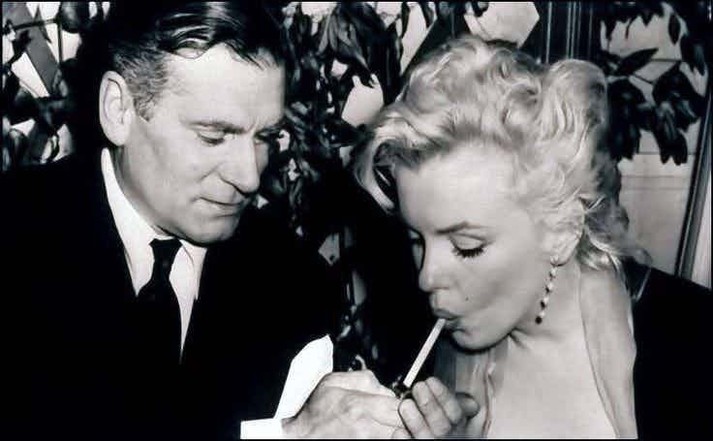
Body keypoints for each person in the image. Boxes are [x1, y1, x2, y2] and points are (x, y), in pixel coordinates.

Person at [2, 2, 405, 440]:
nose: (249, 177)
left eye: (265, 137)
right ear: (119, 110)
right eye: (214, 137)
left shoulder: (295, 286)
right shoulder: (13, 237)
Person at [354, 34, 712, 438]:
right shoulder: (423, 352)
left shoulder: (697, 354)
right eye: (416, 240)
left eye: (467, 247)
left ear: (561, 230)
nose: (426, 276)